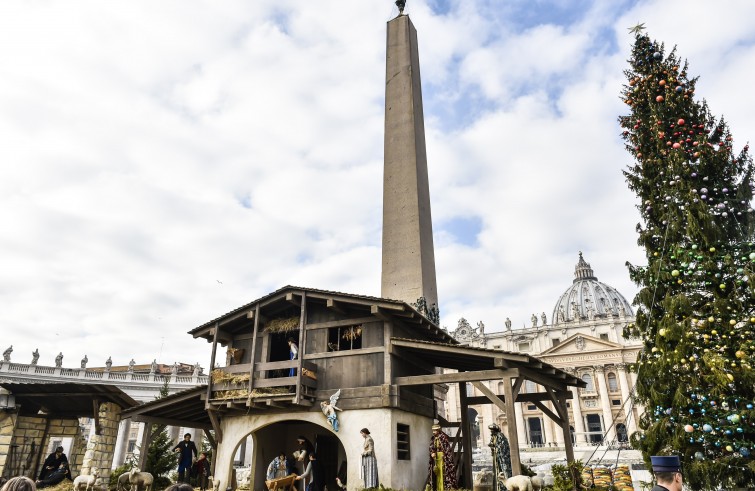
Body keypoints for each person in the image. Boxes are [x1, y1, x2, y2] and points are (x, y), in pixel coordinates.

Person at [428, 424, 457, 491]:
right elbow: (431, 447)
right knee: (436, 473)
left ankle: (443, 488)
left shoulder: (443, 438)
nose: (434, 432)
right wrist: (432, 452)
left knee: (443, 473)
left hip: (443, 458)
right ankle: (437, 488)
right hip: (436, 459)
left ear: (438, 430)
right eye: (433, 430)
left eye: (435, 430)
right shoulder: (433, 438)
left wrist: (445, 455)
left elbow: (447, 449)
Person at [488, 423, 512, 488]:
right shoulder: (493, 437)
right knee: (497, 471)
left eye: (491, 430)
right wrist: (492, 446)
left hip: (502, 457)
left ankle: (506, 486)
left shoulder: (500, 436)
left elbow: (503, 446)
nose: (491, 432)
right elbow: (492, 444)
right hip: (497, 457)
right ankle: (499, 486)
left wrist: (495, 446)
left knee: (504, 470)